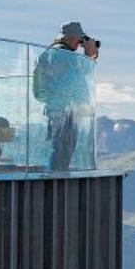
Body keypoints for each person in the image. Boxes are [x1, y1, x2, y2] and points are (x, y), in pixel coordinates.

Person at [32, 21, 96, 171]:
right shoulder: (62, 55)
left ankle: (56, 175)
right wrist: (89, 56)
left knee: (60, 148)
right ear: (73, 38)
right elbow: (78, 75)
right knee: (63, 149)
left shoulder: (51, 54)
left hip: (57, 107)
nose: (80, 43)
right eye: (80, 40)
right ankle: (56, 178)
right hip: (65, 109)